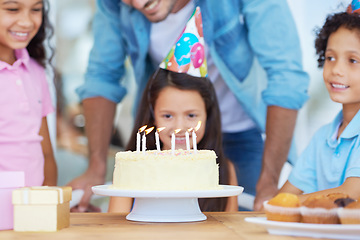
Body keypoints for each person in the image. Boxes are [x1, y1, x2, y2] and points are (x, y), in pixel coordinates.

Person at [72, 0, 310, 212]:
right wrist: (96, 166)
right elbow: (101, 77)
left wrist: (268, 183)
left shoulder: (227, 168)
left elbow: (285, 77)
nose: (137, 3)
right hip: (160, 142)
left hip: (241, 133)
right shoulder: (137, 170)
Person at [108, 68, 239, 212]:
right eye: (167, 116)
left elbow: (228, 229)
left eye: (191, 115)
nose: (179, 127)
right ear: (153, 118)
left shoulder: (222, 169)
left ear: (207, 116)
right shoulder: (135, 167)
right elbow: (117, 227)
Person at [279, 2, 360, 202]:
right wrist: (279, 204)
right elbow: (285, 194)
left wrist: (287, 204)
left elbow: (350, 194)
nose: (336, 70)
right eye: (331, 57)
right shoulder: (323, 137)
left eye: (353, 60)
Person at [0, 0, 57, 186]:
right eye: (12, 9)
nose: (26, 22)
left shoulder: (36, 71)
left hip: (33, 208)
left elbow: (46, 153)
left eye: (36, 10)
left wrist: (48, 205)